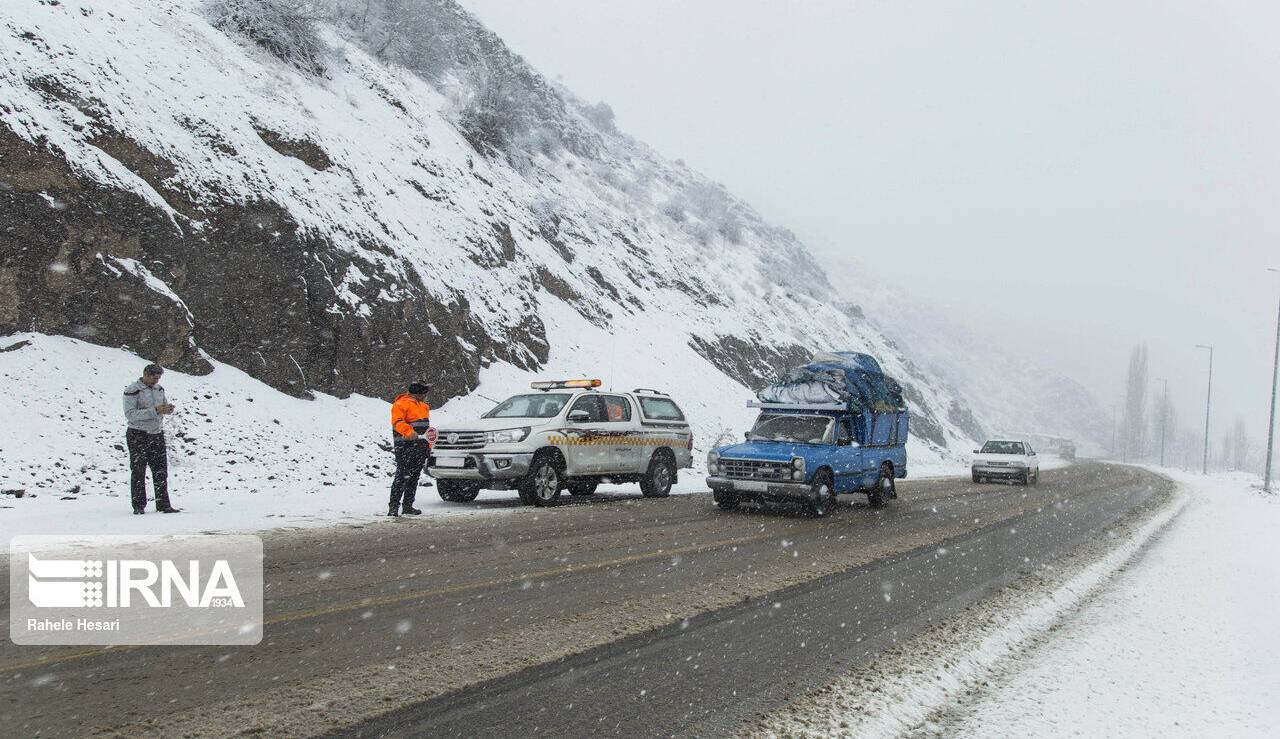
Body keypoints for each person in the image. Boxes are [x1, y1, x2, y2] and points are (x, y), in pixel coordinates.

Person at [122, 363, 180, 514]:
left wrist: (167, 409)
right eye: (154, 378)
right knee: (138, 470)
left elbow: (163, 406)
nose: (156, 381)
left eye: (159, 378)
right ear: (145, 374)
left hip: (156, 434)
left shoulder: (159, 389)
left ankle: (163, 504)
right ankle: (139, 506)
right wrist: (154, 411)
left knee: (161, 470)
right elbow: (130, 414)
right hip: (137, 434)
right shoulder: (132, 390)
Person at [389, 382, 432, 517]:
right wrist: (408, 432)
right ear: (418, 393)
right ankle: (393, 507)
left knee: (414, 477)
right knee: (402, 476)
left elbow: (426, 429)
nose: (426, 396)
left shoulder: (424, 406)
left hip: (420, 447)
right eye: (424, 394)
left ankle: (408, 506)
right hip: (405, 446)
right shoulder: (401, 404)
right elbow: (397, 422)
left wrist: (428, 446)